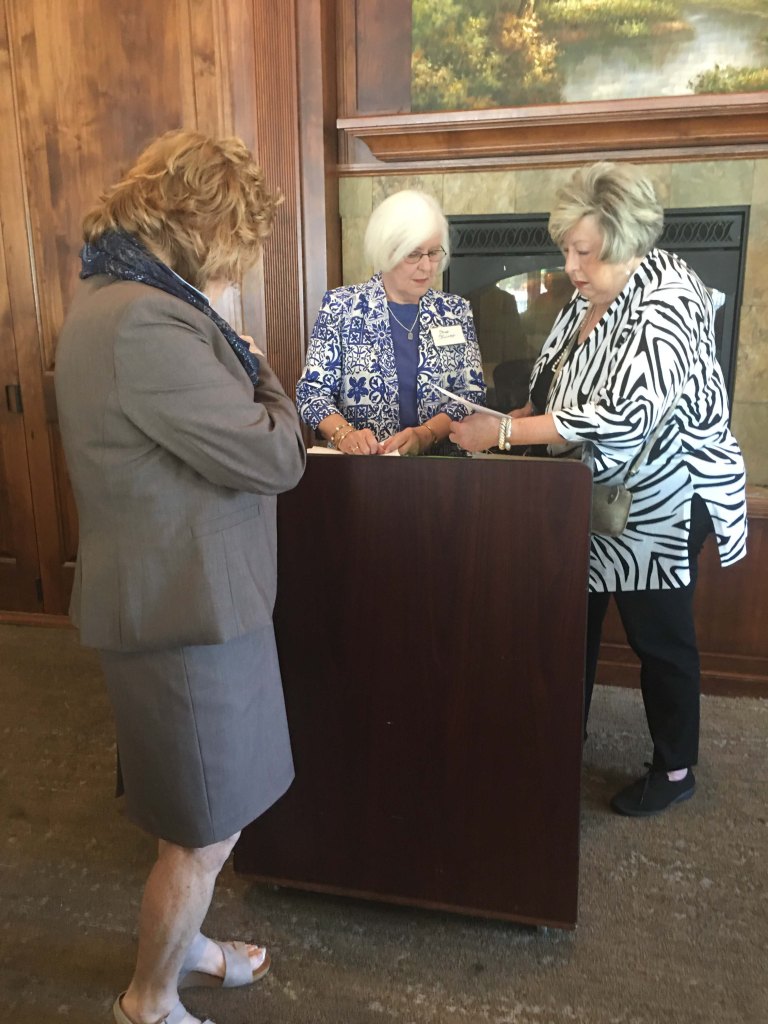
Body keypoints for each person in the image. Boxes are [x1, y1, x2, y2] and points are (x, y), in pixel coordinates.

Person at [54, 130, 306, 1024]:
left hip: (186, 597)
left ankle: (185, 947)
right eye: (236, 244)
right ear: (199, 226)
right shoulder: (147, 321)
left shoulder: (121, 297)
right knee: (203, 833)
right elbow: (277, 455)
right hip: (183, 613)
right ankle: (149, 1000)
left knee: (194, 816)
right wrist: (256, 360)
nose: (235, 266)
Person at [449, 161, 747, 817]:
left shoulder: (669, 302)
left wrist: (505, 435)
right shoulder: (592, 294)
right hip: (591, 491)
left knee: (658, 635)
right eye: (566, 249)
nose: (571, 266)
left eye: (584, 252)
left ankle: (675, 769)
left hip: (666, 497)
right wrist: (518, 413)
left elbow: (624, 416)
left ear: (626, 240)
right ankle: (560, 738)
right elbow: (555, 381)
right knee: (570, 619)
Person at [295, 189, 486, 454]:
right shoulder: (341, 307)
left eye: (433, 253)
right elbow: (312, 393)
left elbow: (471, 394)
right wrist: (344, 434)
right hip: (364, 464)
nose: (427, 266)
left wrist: (425, 435)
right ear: (386, 252)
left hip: (441, 465)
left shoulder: (455, 311)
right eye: (413, 254)